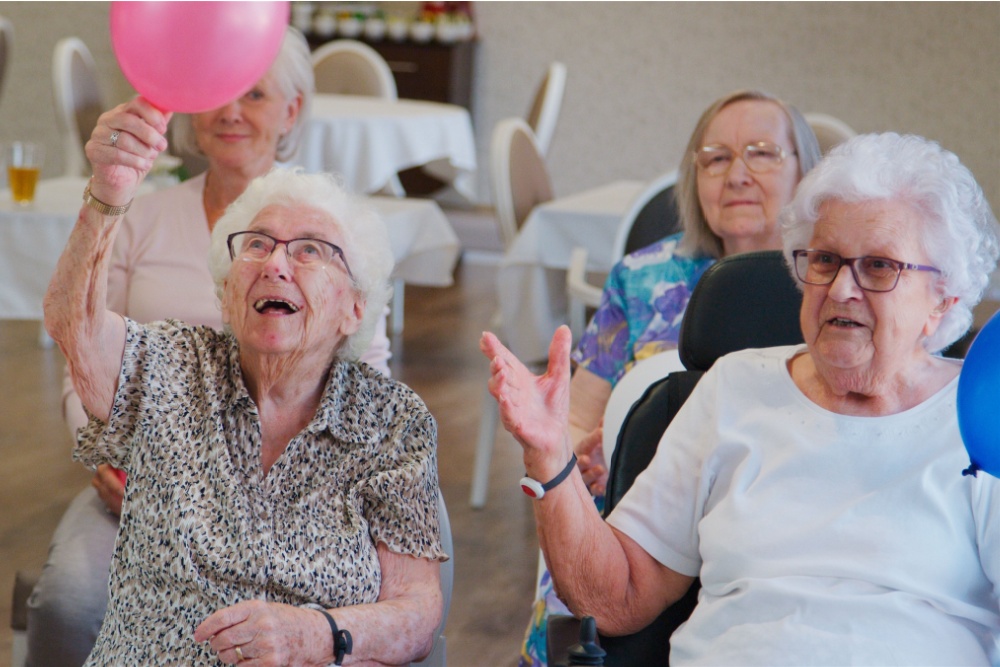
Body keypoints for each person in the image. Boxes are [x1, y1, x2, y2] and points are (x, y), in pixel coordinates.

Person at [482, 132, 1000, 664]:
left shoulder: (982, 416)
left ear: (943, 299)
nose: (842, 289)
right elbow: (616, 598)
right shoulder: (735, 387)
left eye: (879, 267)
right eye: (825, 259)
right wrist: (550, 454)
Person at [27, 27, 400, 667]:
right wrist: (112, 459)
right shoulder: (138, 217)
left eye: (254, 95)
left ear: (291, 111)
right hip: (142, 490)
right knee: (67, 601)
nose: (231, 112)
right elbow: (81, 355)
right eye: (217, 94)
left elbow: (367, 375)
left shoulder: (338, 231)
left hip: (293, 501)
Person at [518, 89, 821, 667]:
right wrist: (582, 458)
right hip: (638, 516)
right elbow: (576, 417)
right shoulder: (641, 279)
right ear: (694, 178)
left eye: (762, 153)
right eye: (716, 158)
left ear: (805, 172)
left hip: (779, 518)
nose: (737, 174)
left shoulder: (830, 285)